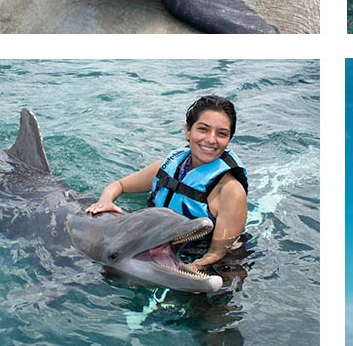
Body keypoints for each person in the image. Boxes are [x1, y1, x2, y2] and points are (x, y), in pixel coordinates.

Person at [85, 95, 250, 272]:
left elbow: (217, 254)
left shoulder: (230, 191)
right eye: (203, 129)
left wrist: (187, 269)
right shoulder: (168, 167)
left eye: (222, 134)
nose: (211, 140)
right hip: (157, 244)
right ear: (188, 131)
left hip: (208, 258)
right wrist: (105, 201)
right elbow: (118, 185)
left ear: (229, 140)